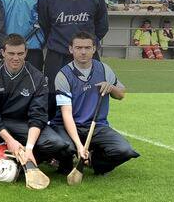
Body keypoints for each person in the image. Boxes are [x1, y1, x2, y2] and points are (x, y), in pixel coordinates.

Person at [0, 34, 66, 165]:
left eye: (20, 53)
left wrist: (29, 147)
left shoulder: (37, 78)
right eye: (11, 53)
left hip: (24, 123)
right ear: (3, 52)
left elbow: (38, 115)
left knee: (56, 143)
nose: (16, 58)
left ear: (26, 53)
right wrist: (9, 140)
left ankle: (25, 160)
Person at [49, 31, 139, 176]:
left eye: (87, 47)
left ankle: (93, 161)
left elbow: (121, 94)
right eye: (78, 48)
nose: (83, 52)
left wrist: (111, 87)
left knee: (124, 151)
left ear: (94, 49)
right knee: (64, 148)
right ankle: (63, 162)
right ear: (71, 49)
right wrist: (79, 146)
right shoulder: (63, 75)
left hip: (98, 126)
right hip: (68, 126)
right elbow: (66, 114)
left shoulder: (104, 69)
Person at [37, 0, 109, 114]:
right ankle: (54, 134)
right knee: (53, 99)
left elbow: (102, 27)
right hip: (57, 57)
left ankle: (89, 131)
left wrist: (87, 47)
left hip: (87, 57)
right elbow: (45, 26)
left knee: (89, 98)